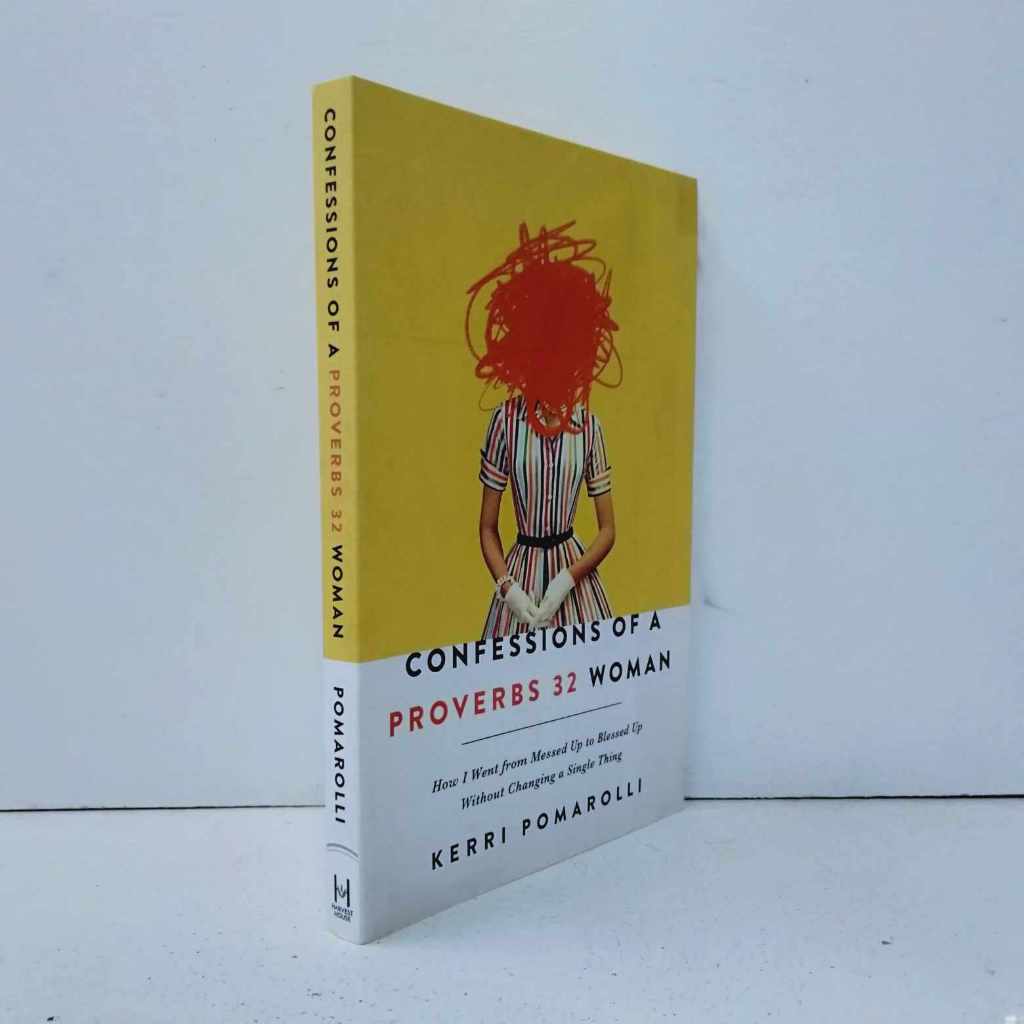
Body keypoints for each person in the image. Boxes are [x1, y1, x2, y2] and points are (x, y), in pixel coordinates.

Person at [466, 220, 621, 637]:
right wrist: (508, 589)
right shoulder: (504, 422)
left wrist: (567, 579)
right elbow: (487, 526)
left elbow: (607, 529)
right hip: (520, 576)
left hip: (575, 583)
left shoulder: (589, 427)